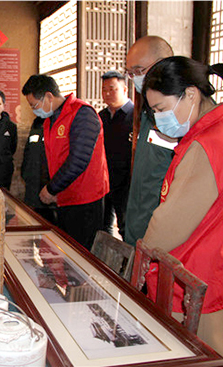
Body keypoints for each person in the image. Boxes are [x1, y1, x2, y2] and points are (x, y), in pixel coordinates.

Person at [141, 56, 223, 363]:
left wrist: (142, 252)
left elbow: (168, 227)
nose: (159, 118)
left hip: (196, 274)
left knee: (195, 355)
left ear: (190, 94)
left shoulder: (207, 143)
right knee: (215, 353)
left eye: (161, 109)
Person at [22, 75, 109, 250]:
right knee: (67, 251)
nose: (34, 110)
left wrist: (52, 188)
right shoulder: (50, 120)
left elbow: (79, 160)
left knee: (82, 254)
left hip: (85, 200)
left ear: (48, 96)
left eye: (34, 105)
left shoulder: (82, 114)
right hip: (64, 197)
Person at [124, 35, 175, 247]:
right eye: (130, 73)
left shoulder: (177, 117)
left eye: (139, 71)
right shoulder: (148, 112)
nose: (134, 78)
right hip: (138, 226)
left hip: (162, 233)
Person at [99, 71, 133, 238]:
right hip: (104, 181)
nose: (107, 94)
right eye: (104, 90)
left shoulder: (135, 116)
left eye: (112, 89)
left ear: (124, 89)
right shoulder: (101, 117)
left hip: (126, 183)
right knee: (103, 226)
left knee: (126, 227)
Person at [21, 115, 57, 224]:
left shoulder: (58, 132)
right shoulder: (36, 125)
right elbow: (27, 155)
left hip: (50, 192)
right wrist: (26, 174)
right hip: (32, 189)